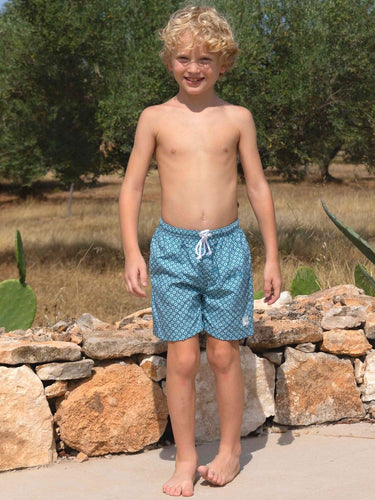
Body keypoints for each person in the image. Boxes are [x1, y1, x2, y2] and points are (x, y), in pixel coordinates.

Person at [119, 5, 281, 497]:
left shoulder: (237, 118)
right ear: (170, 60)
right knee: (184, 358)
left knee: (225, 353)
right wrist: (132, 252)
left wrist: (272, 255)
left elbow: (257, 186)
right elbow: (131, 188)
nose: (194, 67)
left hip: (228, 247)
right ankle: (186, 457)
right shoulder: (154, 118)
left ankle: (229, 450)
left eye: (205, 59)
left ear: (223, 63)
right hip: (172, 250)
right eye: (184, 57)